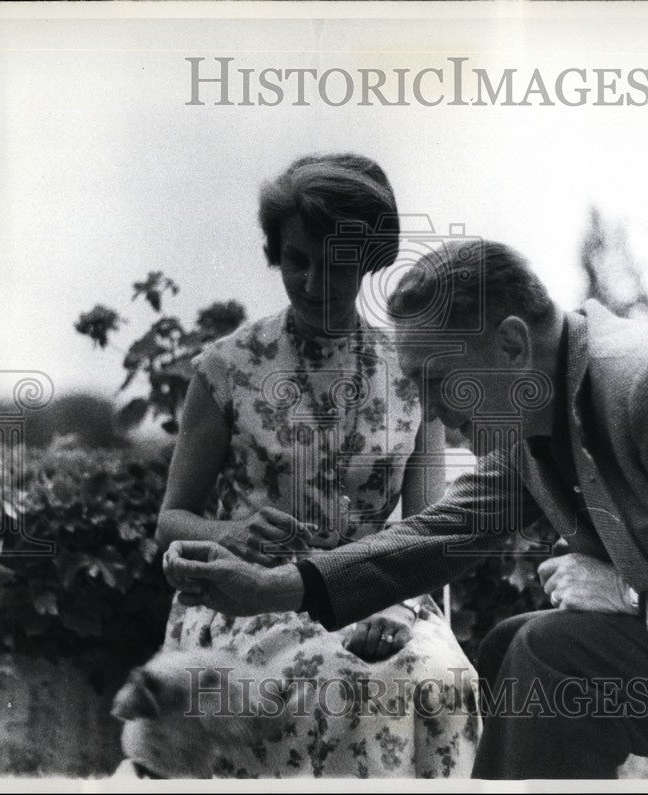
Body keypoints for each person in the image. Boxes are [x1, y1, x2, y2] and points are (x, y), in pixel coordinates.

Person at [164, 239, 648, 779]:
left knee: (555, 659)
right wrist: (276, 586)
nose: (436, 417)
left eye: (439, 380)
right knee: (512, 642)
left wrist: (630, 592)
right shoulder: (542, 411)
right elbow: (440, 533)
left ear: (511, 343)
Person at [126, 155, 481, 778]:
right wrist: (229, 536)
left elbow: (431, 534)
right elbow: (171, 522)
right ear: (276, 253)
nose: (314, 282)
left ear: (369, 259)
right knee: (338, 687)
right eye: (297, 260)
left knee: (447, 683)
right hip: (252, 600)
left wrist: (395, 612)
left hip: (383, 592)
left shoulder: (413, 368)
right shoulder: (226, 369)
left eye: (336, 262)